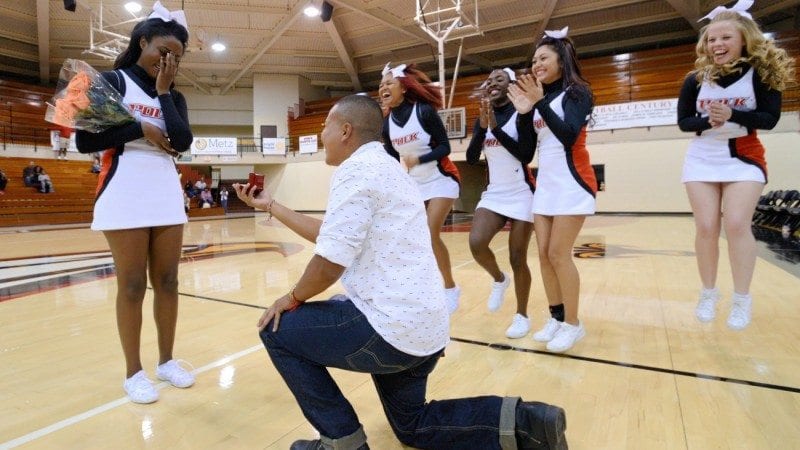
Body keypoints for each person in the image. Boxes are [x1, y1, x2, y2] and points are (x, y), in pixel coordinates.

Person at [233, 94, 567, 450]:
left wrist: (290, 298)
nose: (321, 132)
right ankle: (527, 421)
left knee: (277, 329)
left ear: (346, 131)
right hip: (426, 328)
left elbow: (330, 262)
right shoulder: (389, 167)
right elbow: (331, 235)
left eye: (325, 125)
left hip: (390, 329)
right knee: (413, 426)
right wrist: (271, 205)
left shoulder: (356, 170)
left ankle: (341, 441)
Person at [75, 2, 195, 404]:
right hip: (123, 185)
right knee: (130, 285)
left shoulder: (173, 97)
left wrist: (162, 94)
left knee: (168, 281)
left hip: (163, 187)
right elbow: (84, 141)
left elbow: (182, 142)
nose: (169, 60)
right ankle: (133, 372)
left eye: (176, 57)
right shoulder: (109, 81)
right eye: (163, 51)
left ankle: (166, 361)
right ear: (141, 41)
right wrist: (138, 127)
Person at [677, 3, 795, 330]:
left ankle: (742, 298)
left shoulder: (761, 74)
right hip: (702, 156)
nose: (717, 45)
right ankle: (709, 292)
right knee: (705, 227)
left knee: (738, 223)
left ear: (743, 39)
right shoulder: (695, 79)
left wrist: (732, 115)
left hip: (744, 156)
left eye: (725, 37)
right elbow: (684, 122)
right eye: (711, 40)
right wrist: (707, 120)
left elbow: (769, 119)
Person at [508, 27, 597, 353]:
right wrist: (523, 114)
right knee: (544, 256)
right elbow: (526, 153)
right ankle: (557, 318)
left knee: (559, 254)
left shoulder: (577, 93)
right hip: (546, 186)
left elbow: (568, 135)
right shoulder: (538, 100)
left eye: (543, 58)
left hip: (574, 183)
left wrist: (539, 103)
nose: (537, 64)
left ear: (562, 60)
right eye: (534, 60)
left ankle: (574, 324)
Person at [379, 63, 462, 313]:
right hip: (415, 184)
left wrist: (419, 159)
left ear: (403, 87)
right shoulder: (387, 124)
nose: (383, 87)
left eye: (389, 82)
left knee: (429, 232)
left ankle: (449, 288)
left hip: (442, 179)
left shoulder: (423, 111)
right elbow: (393, 159)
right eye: (381, 84)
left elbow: (445, 147)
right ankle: (420, 287)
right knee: (410, 238)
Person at [466, 68, 536, 339]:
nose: (493, 83)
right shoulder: (482, 119)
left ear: (510, 86)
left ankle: (522, 316)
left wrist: (495, 127)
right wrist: (483, 128)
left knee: (518, 257)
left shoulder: (522, 113)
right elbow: (472, 159)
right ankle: (499, 279)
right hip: (495, 193)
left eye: (500, 80)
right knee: (476, 243)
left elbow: (526, 155)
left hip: (521, 192)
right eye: (490, 80)